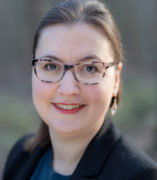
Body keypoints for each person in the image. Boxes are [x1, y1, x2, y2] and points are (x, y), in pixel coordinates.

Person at [3, 0, 157, 179]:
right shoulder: (21, 156)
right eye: (51, 66)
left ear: (115, 80)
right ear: (34, 72)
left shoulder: (139, 175)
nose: (68, 89)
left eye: (89, 68)